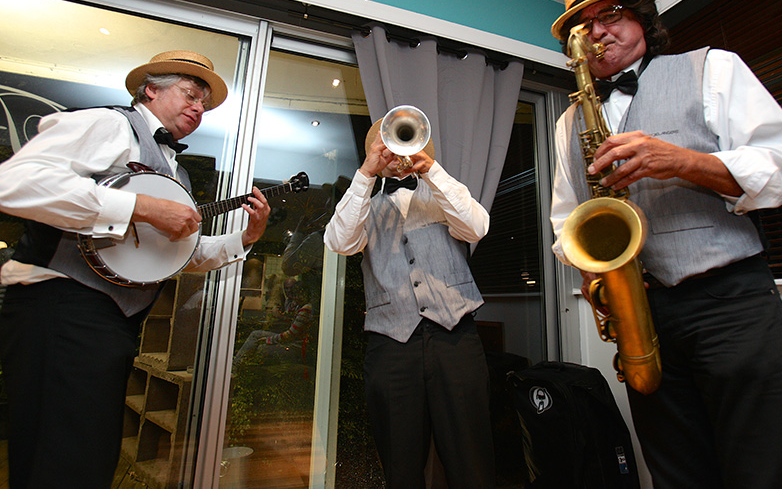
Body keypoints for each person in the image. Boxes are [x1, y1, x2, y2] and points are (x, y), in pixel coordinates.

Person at [549, 0, 782, 489]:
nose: (597, 32)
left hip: (731, 304)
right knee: (675, 473)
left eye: (610, 15)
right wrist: (590, 266)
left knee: (761, 466)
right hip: (643, 316)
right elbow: (567, 220)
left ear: (642, 21)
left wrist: (683, 161)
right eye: (583, 26)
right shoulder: (568, 123)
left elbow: (778, 169)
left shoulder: (713, 68)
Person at [0, 50, 271, 488]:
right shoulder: (110, 124)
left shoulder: (176, 175)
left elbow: (176, 255)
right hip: (61, 308)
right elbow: (14, 182)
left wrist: (244, 238)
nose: (199, 108)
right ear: (150, 90)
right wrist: (140, 206)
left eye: (204, 103)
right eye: (190, 94)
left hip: (111, 326)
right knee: (63, 462)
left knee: (86, 458)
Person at [324, 117, 495, 488]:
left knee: (471, 461)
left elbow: (476, 226)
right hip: (391, 345)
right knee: (400, 466)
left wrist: (431, 169)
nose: (396, 155)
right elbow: (339, 241)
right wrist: (366, 173)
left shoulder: (442, 195)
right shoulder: (365, 205)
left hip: (455, 339)